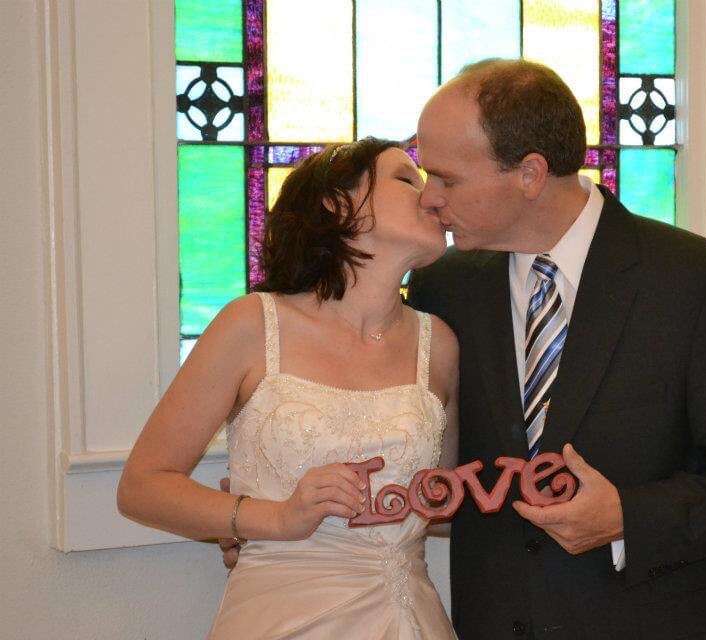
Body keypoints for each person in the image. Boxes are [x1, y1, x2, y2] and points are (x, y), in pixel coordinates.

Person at [404, 59, 706, 638]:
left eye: (447, 179)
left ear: (530, 174)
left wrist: (627, 518)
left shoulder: (697, 280)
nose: (428, 199)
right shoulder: (442, 286)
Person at [118, 138, 460, 639]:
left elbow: (445, 502)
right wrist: (272, 518)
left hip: (410, 619)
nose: (429, 195)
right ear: (338, 203)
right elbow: (142, 487)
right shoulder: (252, 325)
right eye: (407, 179)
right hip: (281, 618)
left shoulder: (439, 344)